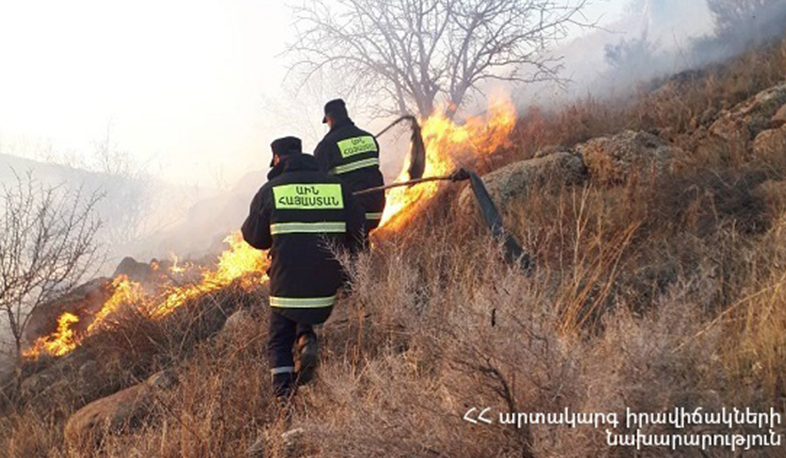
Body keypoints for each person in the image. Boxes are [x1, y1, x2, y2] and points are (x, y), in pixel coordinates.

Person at [241, 136, 365, 399]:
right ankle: (306, 335)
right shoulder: (337, 187)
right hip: (328, 289)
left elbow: (254, 237)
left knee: (279, 337)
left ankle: (283, 397)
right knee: (304, 297)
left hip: (288, 288)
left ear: (277, 159)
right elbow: (359, 232)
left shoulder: (270, 190)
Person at [314, 98, 386, 235]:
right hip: (376, 210)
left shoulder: (326, 145)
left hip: (351, 215)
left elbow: (318, 182)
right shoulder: (369, 138)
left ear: (329, 119)